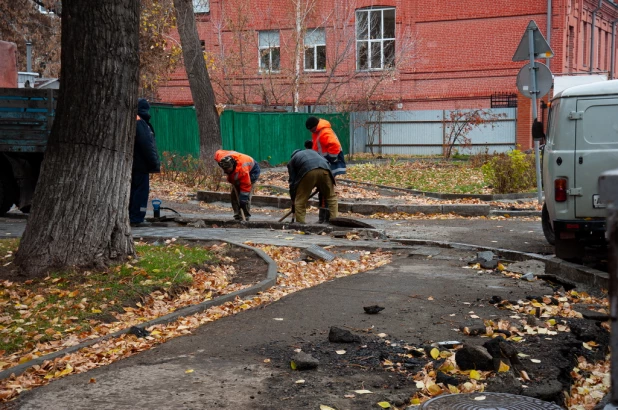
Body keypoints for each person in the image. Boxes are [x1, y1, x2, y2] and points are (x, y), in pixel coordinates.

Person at [305, 116, 346, 222]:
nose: (311, 131)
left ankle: (326, 218)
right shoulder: (317, 132)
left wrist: (329, 159)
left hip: (331, 163)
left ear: (315, 126)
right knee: (324, 191)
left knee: (326, 191)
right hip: (324, 163)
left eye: (311, 129)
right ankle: (324, 217)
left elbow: (335, 146)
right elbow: (319, 146)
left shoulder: (324, 132)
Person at [129, 98, 160, 227]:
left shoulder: (132, 120)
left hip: (132, 163)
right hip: (141, 165)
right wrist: (154, 163)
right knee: (140, 192)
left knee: (133, 191)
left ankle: (132, 215)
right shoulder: (140, 123)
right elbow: (147, 145)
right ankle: (136, 218)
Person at [287, 149, 338, 224]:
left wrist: (293, 199)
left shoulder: (292, 161)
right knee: (331, 197)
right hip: (325, 170)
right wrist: (322, 184)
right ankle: (335, 221)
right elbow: (327, 162)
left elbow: (292, 182)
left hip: (308, 172)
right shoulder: (314, 152)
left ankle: (300, 224)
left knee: (300, 201)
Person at [214, 149, 261, 221]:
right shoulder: (222, 158)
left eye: (228, 170)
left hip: (252, 171)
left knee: (245, 197)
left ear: (233, 165)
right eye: (225, 170)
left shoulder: (242, 171)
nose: (226, 171)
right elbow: (218, 152)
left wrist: (243, 199)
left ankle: (244, 216)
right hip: (239, 169)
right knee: (234, 194)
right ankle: (237, 215)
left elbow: (245, 186)